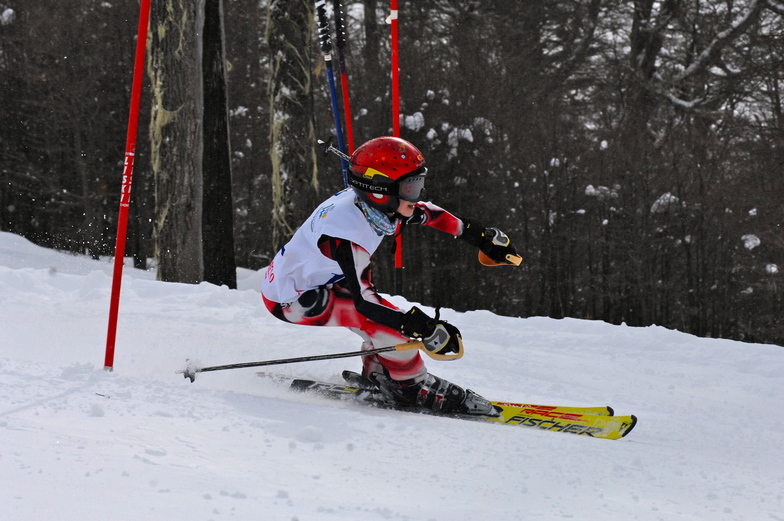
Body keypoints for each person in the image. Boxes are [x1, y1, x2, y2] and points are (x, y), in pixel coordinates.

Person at [261, 136, 520, 415]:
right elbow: (365, 303)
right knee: (389, 323)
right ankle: (410, 387)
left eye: (418, 185)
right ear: (380, 191)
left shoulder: (378, 208)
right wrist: (423, 326)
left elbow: (427, 213)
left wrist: (480, 237)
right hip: (293, 300)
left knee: (387, 318)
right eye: (411, 188)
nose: (417, 195)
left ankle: (379, 372)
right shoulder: (345, 234)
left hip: (317, 283)